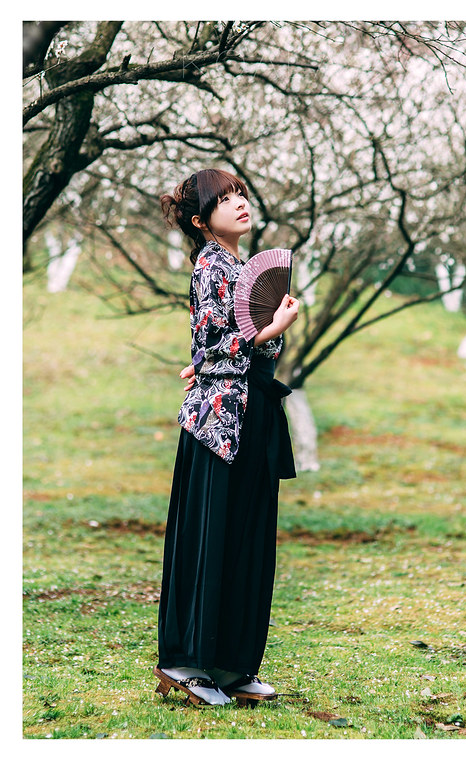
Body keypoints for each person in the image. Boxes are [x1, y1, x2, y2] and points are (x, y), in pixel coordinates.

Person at [154, 168, 300, 707]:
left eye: (240, 193)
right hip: (218, 425)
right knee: (210, 540)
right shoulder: (210, 267)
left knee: (246, 540)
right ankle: (185, 662)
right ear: (201, 221)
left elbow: (241, 348)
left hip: (251, 415)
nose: (240, 203)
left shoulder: (240, 266)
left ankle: (233, 665)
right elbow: (213, 350)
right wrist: (270, 332)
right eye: (225, 199)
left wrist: (265, 337)